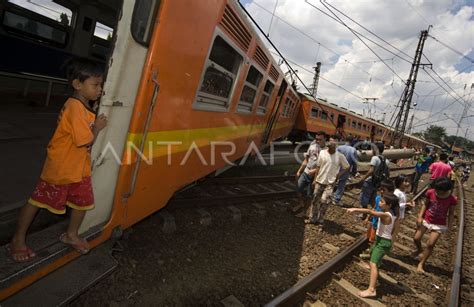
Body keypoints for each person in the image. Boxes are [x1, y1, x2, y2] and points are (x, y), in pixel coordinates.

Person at [8, 58, 108, 262]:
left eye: (101, 85)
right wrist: (97, 127)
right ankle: (17, 240)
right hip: (61, 167)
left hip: (78, 168)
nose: (100, 89)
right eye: (95, 85)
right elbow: (85, 141)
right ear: (77, 85)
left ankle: (71, 235)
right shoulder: (74, 108)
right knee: (37, 201)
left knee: (83, 202)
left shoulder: (82, 105)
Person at [347, 193, 400, 298]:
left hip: (383, 242)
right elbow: (392, 229)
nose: (379, 202)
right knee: (373, 258)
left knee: (373, 264)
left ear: (388, 205)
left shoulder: (386, 215)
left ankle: (372, 290)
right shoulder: (391, 214)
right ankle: (374, 268)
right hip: (382, 240)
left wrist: (354, 209)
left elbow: (370, 211)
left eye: (382, 201)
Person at [412, 177, 457, 273]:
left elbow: (451, 213)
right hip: (427, 219)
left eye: (439, 190)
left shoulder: (452, 199)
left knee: (431, 244)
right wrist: (420, 216)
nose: (437, 192)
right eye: (436, 189)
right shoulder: (431, 192)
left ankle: (421, 263)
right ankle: (420, 249)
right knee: (416, 238)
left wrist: (449, 226)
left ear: (446, 190)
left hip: (439, 223)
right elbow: (425, 204)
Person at [306, 138, 350, 227]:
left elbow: (347, 167)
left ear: (336, 146)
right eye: (329, 144)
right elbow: (318, 166)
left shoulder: (340, 156)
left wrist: (338, 175)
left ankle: (321, 219)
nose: (330, 146)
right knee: (315, 200)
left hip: (330, 183)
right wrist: (314, 179)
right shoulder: (322, 153)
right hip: (319, 180)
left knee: (324, 201)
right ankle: (313, 218)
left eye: (332, 145)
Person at [293, 132, 327, 216]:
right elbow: (306, 160)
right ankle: (301, 203)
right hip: (306, 172)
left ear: (325, 139)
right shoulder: (312, 146)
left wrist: (315, 171)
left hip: (316, 176)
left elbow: (325, 166)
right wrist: (299, 171)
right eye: (316, 139)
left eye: (320, 139)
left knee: (309, 195)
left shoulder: (327, 151)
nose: (317, 141)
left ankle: (304, 212)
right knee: (298, 188)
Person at [359, 142, 390, 213]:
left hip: (370, 181)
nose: (372, 150)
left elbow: (371, 171)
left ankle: (364, 214)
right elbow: (388, 174)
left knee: (364, 198)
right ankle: (374, 213)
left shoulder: (375, 158)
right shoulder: (387, 160)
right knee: (373, 198)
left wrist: (362, 179)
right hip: (378, 183)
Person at [332, 135, 359, 206]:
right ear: (352, 141)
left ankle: (328, 196)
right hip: (345, 170)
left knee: (332, 182)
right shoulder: (353, 150)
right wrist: (354, 171)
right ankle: (336, 200)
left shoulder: (339, 148)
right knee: (341, 185)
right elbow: (354, 162)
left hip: (336, 168)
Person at [392, 175, 415, 244]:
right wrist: (406, 204)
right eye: (405, 181)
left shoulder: (402, 192)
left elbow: (401, 203)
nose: (408, 183)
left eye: (408, 181)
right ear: (399, 183)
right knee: (393, 232)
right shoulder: (397, 193)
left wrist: (408, 205)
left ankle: (389, 245)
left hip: (398, 216)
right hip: (395, 216)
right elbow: (394, 205)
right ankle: (388, 247)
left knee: (395, 232)